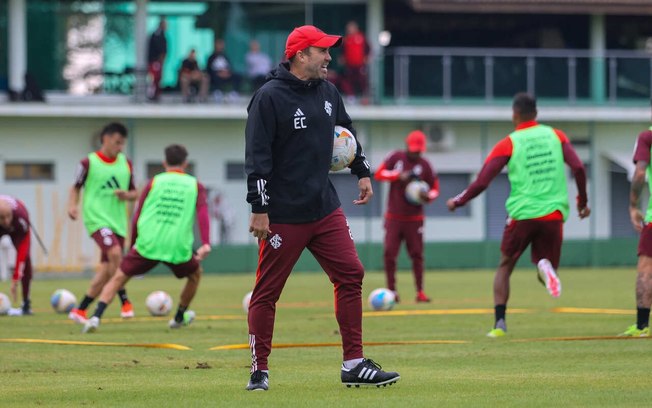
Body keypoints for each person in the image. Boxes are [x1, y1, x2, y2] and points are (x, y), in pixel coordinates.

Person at [244, 24, 400, 391]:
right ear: (301, 55)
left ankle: (354, 364)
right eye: (322, 51)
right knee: (267, 293)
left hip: (324, 207)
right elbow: (257, 158)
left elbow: (345, 133)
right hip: (282, 213)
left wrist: (362, 171)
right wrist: (260, 207)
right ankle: (259, 370)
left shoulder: (329, 92)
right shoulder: (268, 97)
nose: (330, 57)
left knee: (351, 273)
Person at [446, 92, 590, 338]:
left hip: (522, 214)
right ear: (536, 114)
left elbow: (482, 181)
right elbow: (578, 167)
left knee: (505, 266)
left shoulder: (509, 142)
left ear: (514, 115)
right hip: (554, 213)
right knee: (546, 267)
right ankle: (544, 265)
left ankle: (499, 324)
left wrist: (458, 201)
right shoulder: (556, 135)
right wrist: (582, 201)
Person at [82, 144, 211, 333]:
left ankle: (95, 317)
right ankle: (178, 317)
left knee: (118, 277)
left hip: (148, 243)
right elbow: (202, 213)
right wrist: (206, 242)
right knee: (195, 274)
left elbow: (138, 214)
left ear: (164, 162)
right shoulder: (195, 185)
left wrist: (133, 242)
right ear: (185, 163)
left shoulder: (154, 182)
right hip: (176, 245)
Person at [67, 122, 138, 324]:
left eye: (122, 143)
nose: (120, 147)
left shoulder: (126, 164)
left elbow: (135, 192)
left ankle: (80, 309)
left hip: (118, 222)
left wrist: (127, 195)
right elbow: (75, 187)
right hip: (97, 219)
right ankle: (124, 299)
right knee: (115, 253)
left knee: (108, 269)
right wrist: (72, 206)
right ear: (105, 139)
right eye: (117, 142)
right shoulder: (88, 163)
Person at [374, 130, 440, 303]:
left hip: (415, 219)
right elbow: (379, 174)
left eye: (419, 149)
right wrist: (398, 176)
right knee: (389, 254)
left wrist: (429, 197)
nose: (416, 152)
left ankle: (420, 292)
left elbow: (435, 188)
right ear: (407, 145)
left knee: (417, 255)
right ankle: (392, 292)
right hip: (394, 216)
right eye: (413, 149)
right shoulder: (395, 158)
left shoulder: (425, 165)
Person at [621, 124, 652, 336]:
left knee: (646, 269)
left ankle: (642, 326)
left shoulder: (647, 136)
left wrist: (633, 205)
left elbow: (640, 173)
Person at [0, 195, 34, 315]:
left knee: (27, 262)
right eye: (2, 218)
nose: (6, 221)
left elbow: (22, 252)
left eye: (8, 216)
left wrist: (15, 278)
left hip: (18, 231)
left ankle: (26, 303)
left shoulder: (21, 216)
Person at [340, 21, 369, 104]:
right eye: (348, 28)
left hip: (360, 64)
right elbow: (342, 51)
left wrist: (367, 57)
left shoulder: (361, 37)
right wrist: (342, 58)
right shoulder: (346, 39)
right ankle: (351, 97)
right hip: (349, 64)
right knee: (349, 80)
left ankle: (365, 97)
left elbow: (368, 49)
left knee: (362, 81)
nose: (349, 30)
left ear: (356, 28)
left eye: (351, 28)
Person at [147, 18, 167, 101]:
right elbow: (160, 49)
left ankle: (156, 94)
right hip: (155, 61)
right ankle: (153, 95)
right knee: (154, 78)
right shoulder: (157, 35)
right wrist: (160, 59)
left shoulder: (161, 34)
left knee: (158, 78)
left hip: (158, 61)